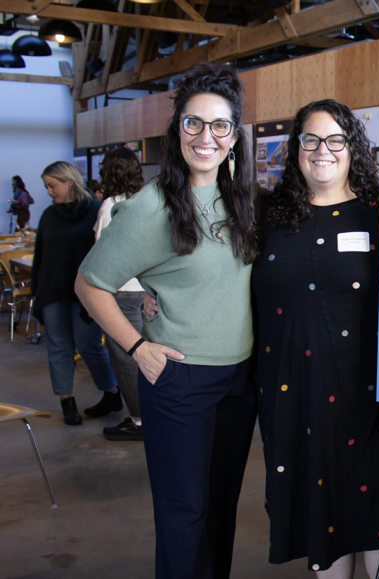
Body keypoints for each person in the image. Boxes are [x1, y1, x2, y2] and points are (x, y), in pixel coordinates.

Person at [76, 62, 259, 579]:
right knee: (185, 517)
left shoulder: (243, 199)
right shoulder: (151, 207)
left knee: (221, 511)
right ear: (176, 129)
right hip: (180, 379)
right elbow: (89, 284)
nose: (206, 136)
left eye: (219, 125)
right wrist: (137, 348)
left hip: (240, 379)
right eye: (193, 123)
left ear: (233, 137)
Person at [253, 98, 379, 579]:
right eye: (310, 139)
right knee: (322, 518)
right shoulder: (268, 219)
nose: (322, 150)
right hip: (296, 397)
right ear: (295, 149)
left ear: (353, 148)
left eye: (335, 139)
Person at [32, 161, 119, 426]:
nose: (49, 191)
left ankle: (111, 393)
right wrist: (36, 292)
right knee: (58, 347)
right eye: (46, 186)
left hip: (87, 293)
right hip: (53, 291)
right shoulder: (48, 215)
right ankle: (66, 401)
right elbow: (40, 257)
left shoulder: (96, 210)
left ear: (69, 181)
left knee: (89, 345)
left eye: (52, 185)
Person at [92, 146, 147, 442]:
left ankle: (139, 420)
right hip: (144, 291)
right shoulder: (143, 200)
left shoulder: (110, 205)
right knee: (142, 354)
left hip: (121, 292)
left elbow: (101, 257)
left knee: (125, 359)